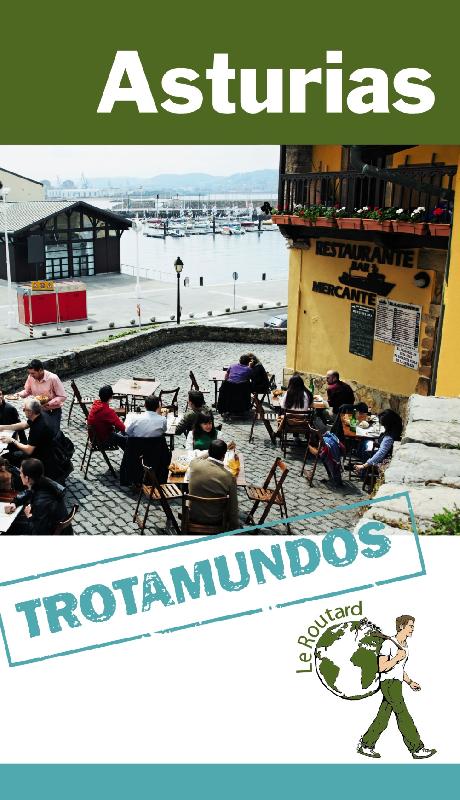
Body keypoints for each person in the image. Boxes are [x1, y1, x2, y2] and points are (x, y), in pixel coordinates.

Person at [358, 615, 436, 759]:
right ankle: (417, 748)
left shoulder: (404, 646)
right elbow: (381, 667)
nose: (413, 629)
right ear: (401, 626)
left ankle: (366, 744)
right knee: (403, 714)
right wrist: (396, 658)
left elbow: (399, 669)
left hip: (397, 683)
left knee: (383, 717)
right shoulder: (388, 644)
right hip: (389, 683)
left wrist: (410, 682)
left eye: (413, 626)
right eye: (410, 626)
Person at [4, 458, 71, 535]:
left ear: (27, 478)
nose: (20, 475)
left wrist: (29, 516)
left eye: (21, 473)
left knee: (10, 529)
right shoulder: (43, 481)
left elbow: (38, 532)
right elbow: (29, 492)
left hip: (49, 532)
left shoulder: (41, 502)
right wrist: (15, 503)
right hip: (52, 525)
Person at [188, 439, 239, 531]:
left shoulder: (195, 464)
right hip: (216, 519)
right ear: (224, 456)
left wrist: (211, 451)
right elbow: (233, 506)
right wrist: (235, 526)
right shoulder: (229, 477)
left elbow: (198, 458)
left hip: (193, 515)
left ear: (209, 451)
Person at [7, 359, 67, 435]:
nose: (31, 375)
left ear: (40, 370)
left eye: (33, 373)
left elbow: (62, 396)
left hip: (53, 410)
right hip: (39, 410)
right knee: (39, 432)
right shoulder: (31, 377)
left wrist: (48, 403)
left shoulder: (53, 378)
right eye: (30, 373)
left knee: (53, 432)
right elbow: (27, 391)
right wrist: (18, 395)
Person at [0, 397, 56, 476]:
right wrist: (3, 427)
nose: (23, 410)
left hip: (40, 456)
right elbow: (24, 425)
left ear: (30, 412)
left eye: (24, 409)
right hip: (45, 447)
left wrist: (12, 440)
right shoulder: (39, 414)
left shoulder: (38, 427)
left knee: (9, 456)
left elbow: (28, 450)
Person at [354, 409, 403, 478]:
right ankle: (362, 468)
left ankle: (363, 472)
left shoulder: (389, 438)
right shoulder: (395, 428)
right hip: (380, 448)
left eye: (384, 425)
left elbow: (381, 453)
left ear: (388, 424)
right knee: (364, 442)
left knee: (364, 448)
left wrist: (364, 465)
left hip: (383, 457)